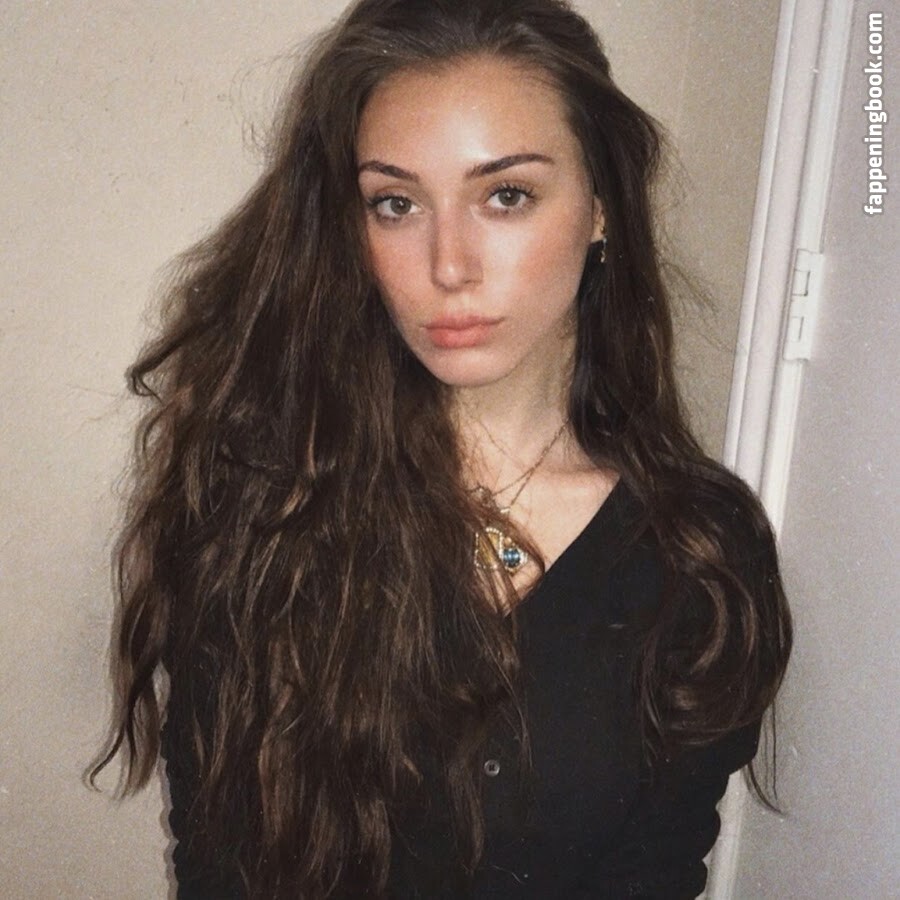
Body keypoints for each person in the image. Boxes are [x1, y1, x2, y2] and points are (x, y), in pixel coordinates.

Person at [93, 0, 792, 897]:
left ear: (601, 208)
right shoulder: (259, 498)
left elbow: (656, 873)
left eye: (507, 195)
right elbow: (217, 863)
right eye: (395, 204)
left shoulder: (701, 549)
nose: (448, 264)